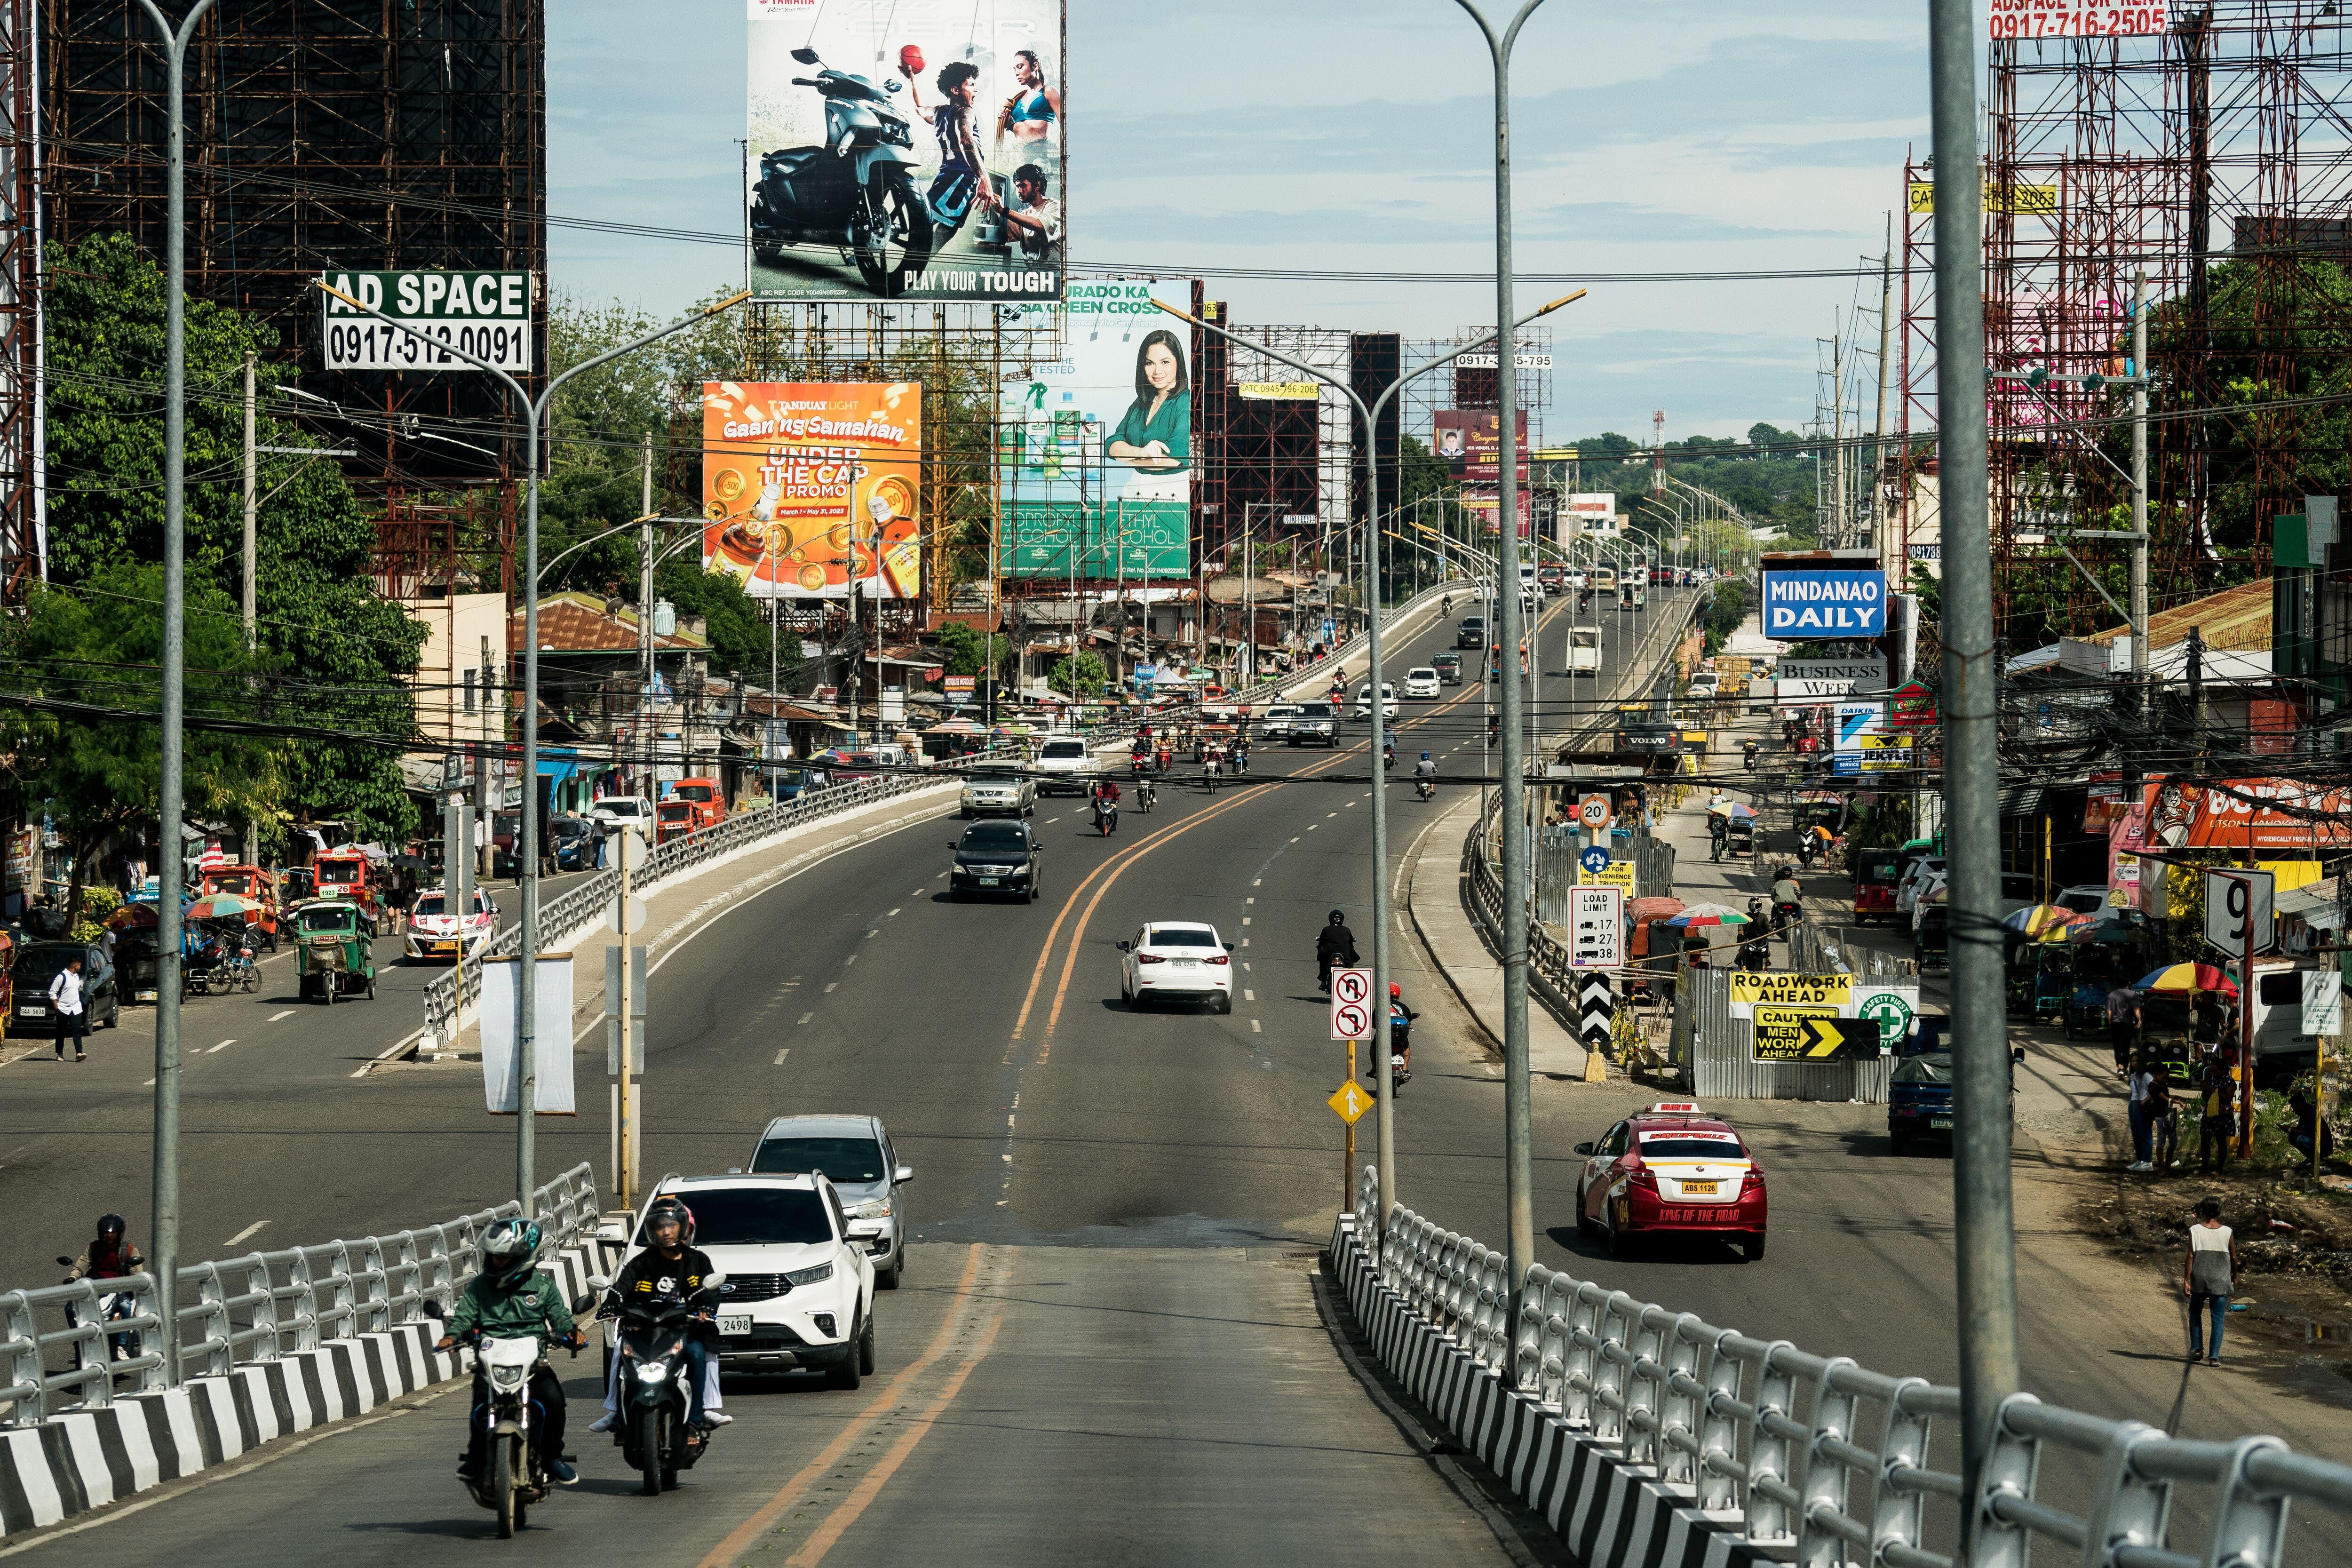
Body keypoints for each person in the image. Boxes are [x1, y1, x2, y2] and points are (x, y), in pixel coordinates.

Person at [437, 1218, 583, 1485]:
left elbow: (561, 1318)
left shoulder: (544, 1287)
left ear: (524, 1257)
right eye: (494, 1256)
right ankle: (476, 1456)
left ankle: (553, 1457)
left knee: (554, 1401)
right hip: (491, 1362)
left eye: (504, 1257)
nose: (497, 1261)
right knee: (480, 1406)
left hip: (534, 1364)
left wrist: (572, 1334)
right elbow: (464, 1317)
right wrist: (452, 1336)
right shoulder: (479, 1286)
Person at [590, 1197, 727, 1436]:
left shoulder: (698, 1261)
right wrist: (612, 1306)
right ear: (652, 1230)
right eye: (661, 1226)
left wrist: (706, 1309)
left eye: (672, 1225)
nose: (666, 1232)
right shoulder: (640, 1263)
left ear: (683, 1228)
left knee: (699, 1353)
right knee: (621, 1347)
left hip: (685, 1330)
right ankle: (615, 1412)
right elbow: (621, 1288)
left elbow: (710, 1292)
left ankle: (702, 1413)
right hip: (645, 1330)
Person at [919, 62, 987, 245]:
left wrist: (911, 79)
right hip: (962, 178)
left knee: (924, 222)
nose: (976, 89)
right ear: (956, 90)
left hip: (946, 175)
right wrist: (984, 178)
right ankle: (920, 261)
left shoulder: (939, 111)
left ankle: (912, 257)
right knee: (947, 228)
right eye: (971, 85)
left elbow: (919, 109)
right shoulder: (965, 112)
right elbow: (966, 140)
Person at [1106, 330, 1191, 472]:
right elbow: (1112, 446)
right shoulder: (1140, 403)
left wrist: (1129, 460)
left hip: (1172, 484)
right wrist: (1141, 452)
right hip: (1133, 484)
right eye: (1150, 363)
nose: (1157, 371)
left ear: (1178, 362)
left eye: (1165, 362)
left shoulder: (1186, 403)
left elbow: (1173, 460)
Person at [2182, 1197, 2237, 1366]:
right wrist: (2235, 1276)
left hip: (2199, 1279)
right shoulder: (2227, 1232)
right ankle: (2214, 1357)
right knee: (2218, 1318)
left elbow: (2190, 1256)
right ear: (2220, 1212)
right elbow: (2234, 1257)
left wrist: (2186, 1280)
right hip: (2220, 1281)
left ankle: (2198, 1349)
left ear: (2203, 1211)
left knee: (2194, 1312)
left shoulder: (2195, 1230)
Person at [993, 47, 1059, 161]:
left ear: (1035, 66)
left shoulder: (1048, 92)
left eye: (1020, 67)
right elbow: (1020, 128)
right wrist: (1007, 123)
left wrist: (1057, 150)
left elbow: (1066, 124)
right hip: (1019, 154)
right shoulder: (1018, 99)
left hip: (1039, 153)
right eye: (1014, 69)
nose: (1017, 73)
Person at [995, 163, 1063, 267]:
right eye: (1017, 186)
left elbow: (1040, 226)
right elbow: (1006, 230)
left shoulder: (1056, 206)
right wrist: (993, 206)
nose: (1019, 191)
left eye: (1023, 186)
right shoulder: (1026, 214)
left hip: (1054, 274)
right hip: (1033, 274)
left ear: (1037, 186)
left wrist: (1004, 211)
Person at [64, 1214, 144, 1282]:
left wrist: (137, 1282)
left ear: (119, 1233)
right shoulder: (93, 1248)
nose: (109, 1236)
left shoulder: (130, 1250)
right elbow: (82, 1265)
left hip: (120, 1288)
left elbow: (137, 1273)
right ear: (101, 1233)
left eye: (113, 1233)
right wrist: (73, 1277)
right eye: (106, 1232)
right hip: (95, 1286)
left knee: (128, 1297)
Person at [2198, 1057, 2234, 1174]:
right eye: (2211, 1071)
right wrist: (2205, 1089)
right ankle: (2204, 1167)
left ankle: (2219, 1169)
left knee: (2221, 1141)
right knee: (2205, 1140)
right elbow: (2206, 1096)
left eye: (2215, 1071)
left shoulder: (2229, 1081)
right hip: (2210, 1114)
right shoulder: (2212, 1079)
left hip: (2221, 1115)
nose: (2213, 1074)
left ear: (2222, 1070)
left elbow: (2228, 1098)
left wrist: (2213, 1090)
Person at [49, 952, 87, 1062]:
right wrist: (57, 1008)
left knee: (77, 1030)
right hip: (63, 1008)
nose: (80, 967)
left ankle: (79, 1053)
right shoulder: (62, 977)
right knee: (61, 1031)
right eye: (79, 965)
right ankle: (60, 1054)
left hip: (75, 1008)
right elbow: (52, 993)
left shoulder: (76, 977)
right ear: (76, 965)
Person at [2288, 1082, 2337, 1165]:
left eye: (2295, 1107)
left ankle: (2318, 1159)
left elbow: (2310, 1133)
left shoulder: (2311, 1114)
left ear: (2301, 1105)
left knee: (2301, 1139)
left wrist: (2293, 1130)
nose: (2294, 1110)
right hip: (2316, 1142)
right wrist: (2289, 1129)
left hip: (2324, 1146)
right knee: (2291, 1137)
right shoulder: (2303, 1114)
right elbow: (2301, 1129)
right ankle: (2311, 1158)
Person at [2125, 1052, 2157, 1172]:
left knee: (2145, 1132)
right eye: (2133, 1061)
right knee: (2136, 1133)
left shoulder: (2146, 1076)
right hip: (2134, 1104)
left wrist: (2145, 1102)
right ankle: (2140, 1160)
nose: (2135, 1063)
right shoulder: (2133, 1076)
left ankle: (2148, 1161)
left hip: (2144, 1105)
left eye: (2137, 1061)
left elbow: (2154, 1090)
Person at [1315, 909, 1358, 993]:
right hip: (1345, 955)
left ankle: (1323, 981)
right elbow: (1351, 942)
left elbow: (1321, 942)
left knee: (1323, 961)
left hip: (1328, 954)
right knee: (1350, 964)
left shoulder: (1326, 929)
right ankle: (1349, 979)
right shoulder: (1347, 930)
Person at [2105, 981, 2140, 1077]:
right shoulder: (2133, 995)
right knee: (2126, 1047)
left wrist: (2110, 1022)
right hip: (2128, 1024)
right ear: (2128, 985)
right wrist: (2139, 1020)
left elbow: (2109, 1011)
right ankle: (2126, 1069)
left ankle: (2120, 1068)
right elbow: (2136, 1009)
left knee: (2117, 1047)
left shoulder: (2112, 995)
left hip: (2116, 1024)